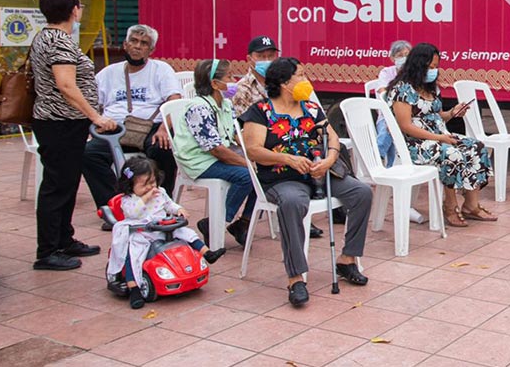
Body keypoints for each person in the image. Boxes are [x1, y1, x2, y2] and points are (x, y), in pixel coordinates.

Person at [239, 58, 373, 306]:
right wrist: (288, 159)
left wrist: (329, 159)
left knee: (362, 193)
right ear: (283, 83)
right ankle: (296, 277)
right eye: (300, 76)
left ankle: (347, 258)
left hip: (319, 172)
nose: (305, 80)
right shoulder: (260, 112)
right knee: (292, 203)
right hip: (282, 176)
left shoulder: (311, 108)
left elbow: (333, 139)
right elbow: (253, 150)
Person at [29, 0, 117, 271]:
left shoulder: (47, 37)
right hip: (60, 123)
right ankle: (48, 250)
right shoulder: (59, 41)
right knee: (57, 186)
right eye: (79, 4)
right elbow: (66, 84)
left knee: (66, 183)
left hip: (60, 123)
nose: (81, 9)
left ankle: (64, 239)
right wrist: (95, 115)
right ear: (72, 9)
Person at [232, 35, 338, 237]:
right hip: (261, 145)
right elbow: (243, 133)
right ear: (249, 58)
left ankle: (316, 209)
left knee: (322, 153)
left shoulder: (295, 88)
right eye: (261, 56)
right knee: (270, 167)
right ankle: (248, 220)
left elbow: (314, 121)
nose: (267, 59)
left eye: (271, 55)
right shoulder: (244, 90)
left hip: (291, 144)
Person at [386, 43, 495, 228]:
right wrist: (439, 139)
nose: (433, 71)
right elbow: (405, 125)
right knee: (451, 153)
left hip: (438, 136)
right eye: (430, 67)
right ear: (418, 65)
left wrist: (453, 112)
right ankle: (450, 206)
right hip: (415, 145)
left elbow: (437, 116)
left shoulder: (429, 88)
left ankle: (471, 205)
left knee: (477, 147)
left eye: (436, 67)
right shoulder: (402, 89)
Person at [83, 24, 182, 222]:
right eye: (134, 41)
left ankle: (160, 206)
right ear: (125, 45)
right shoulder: (108, 73)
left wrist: (164, 127)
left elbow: (175, 100)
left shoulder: (161, 69)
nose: (138, 46)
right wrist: (96, 121)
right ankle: (116, 208)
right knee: (88, 154)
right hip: (114, 128)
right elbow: (89, 103)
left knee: (163, 149)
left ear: (151, 49)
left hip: (150, 126)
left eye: (144, 43)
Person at [106, 156, 224, 309]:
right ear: (130, 185)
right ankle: (134, 287)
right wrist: (146, 198)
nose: (150, 187)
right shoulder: (129, 200)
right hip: (141, 232)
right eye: (144, 185)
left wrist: (178, 209)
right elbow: (133, 213)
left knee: (185, 232)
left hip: (162, 228)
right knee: (133, 254)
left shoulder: (160, 192)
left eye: (152, 182)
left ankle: (207, 253)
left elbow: (169, 204)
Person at [170, 59, 257, 247]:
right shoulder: (198, 108)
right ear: (214, 84)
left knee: (265, 170)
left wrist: (256, 151)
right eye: (228, 76)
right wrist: (247, 163)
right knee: (249, 175)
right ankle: (217, 222)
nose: (233, 80)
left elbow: (234, 135)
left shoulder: (225, 104)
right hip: (198, 161)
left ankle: (244, 222)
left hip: (214, 156)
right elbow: (216, 149)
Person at [374, 40, 426, 224]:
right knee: (388, 128)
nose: (403, 59)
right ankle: (377, 159)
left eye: (406, 55)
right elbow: (382, 93)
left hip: (408, 119)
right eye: (400, 55)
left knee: (398, 128)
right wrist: (394, 114)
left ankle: (381, 162)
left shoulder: (415, 75)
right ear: (392, 57)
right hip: (387, 116)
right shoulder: (386, 73)